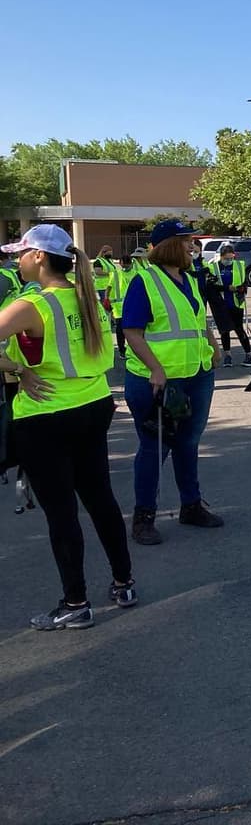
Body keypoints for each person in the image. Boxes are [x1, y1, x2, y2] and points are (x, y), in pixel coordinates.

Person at [0, 225, 135, 630]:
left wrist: (16, 369)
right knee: (100, 499)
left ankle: (75, 602)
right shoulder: (84, 294)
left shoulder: (33, 304)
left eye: (21, 253)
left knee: (61, 513)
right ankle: (123, 582)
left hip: (47, 414)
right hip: (93, 404)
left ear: (39, 257)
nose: (16, 260)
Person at [121, 219, 223, 545]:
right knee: (154, 448)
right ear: (168, 245)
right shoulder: (144, 281)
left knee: (188, 443)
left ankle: (191, 506)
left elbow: (197, 321)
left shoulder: (190, 281)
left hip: (196, 374)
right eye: (186, 241)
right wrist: (156, 369)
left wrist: (214, 346)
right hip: (157, 381)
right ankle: (143, 517)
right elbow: (131, 332)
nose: (192, 246)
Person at [205, 242, 251, 368]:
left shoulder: (239, 266)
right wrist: (227, 288)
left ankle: (249, 354)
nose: (229, 260)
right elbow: (211, 286)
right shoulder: (213, 268)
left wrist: (241, 289)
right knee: (224, 331)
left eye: (231, 258)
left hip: (236, 303)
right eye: (226, 258)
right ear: (221, 257)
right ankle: (228, 356)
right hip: (221, 304)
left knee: (239, 329)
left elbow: (244, 282)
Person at [110, 249, 145, 358]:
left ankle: (130, 349)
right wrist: (106, 299)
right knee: (122, 330)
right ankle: (123, 350)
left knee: (130, 329)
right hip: (120, 307)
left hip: (130, 305)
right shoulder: (116, 274)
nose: (123, 267)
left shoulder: (136, 272)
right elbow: (109, 287)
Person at [92, 246, 117, 311]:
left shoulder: (110, 261)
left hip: (110, 285)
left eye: (111, 253)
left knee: (110, 303)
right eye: (109, 253)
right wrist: (110, 274)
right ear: (104, 253)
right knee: (105, 303)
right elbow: (98, 272)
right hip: (102, 286)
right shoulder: (98, 261)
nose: (111, 255)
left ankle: (111, 317)